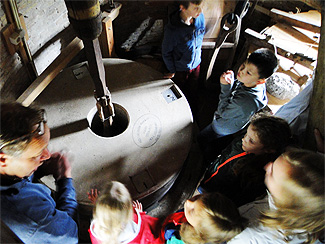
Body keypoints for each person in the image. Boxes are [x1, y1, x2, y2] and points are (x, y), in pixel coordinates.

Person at [0, 102, 78, 243]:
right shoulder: (32, 219)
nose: (47, 155)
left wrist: (40, 168)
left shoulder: (8, 169)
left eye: (46, 146)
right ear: (3, 159)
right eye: (36, 154)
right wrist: (65, 179)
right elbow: (68, 235)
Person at [227, 148, 324, 244]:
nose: (267, 166)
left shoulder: (251, 236)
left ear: (286, 200)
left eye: (272, 173)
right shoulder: (313, 206)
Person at [198, 115, 292, 207]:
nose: (244, 139)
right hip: (210, 177)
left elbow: (238, 197)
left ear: (269, 150)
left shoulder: (256, 174)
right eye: (246, 134)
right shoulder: (242, 142)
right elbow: (225, 153)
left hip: (214, 195)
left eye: (251, 141)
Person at [198, 48, 279, 152]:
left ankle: (200, 153)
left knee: (203, 138)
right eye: (243, 65)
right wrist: (232, 82)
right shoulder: (256, 84)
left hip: (222, 126)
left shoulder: (244, 102)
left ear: (260, 80)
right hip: (235, 121)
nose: (241, 71)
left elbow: (222, 112)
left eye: (248, 73)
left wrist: (226, 87)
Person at [162, 0, 205, 115]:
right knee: (179, 91)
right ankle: (177, 114)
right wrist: (171, 70)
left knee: (193, 89)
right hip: (181, 69)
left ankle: (192, 114)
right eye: (196, 8)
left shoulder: (200, 18)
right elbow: (166, 52)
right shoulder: (173, 31)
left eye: (201, 7)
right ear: (183, 8)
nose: (200, 11)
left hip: (196, 64)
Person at [88, 181, 161, 244]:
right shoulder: (136, 224)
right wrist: (140, 214)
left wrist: (98, 204)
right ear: (128, 209)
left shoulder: (96, 230)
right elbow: (147, 235)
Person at [160, 192, 248, 244]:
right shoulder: (207, 226)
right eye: (197, 197)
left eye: (193, 210)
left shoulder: (178, 240)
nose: (188, 201)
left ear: (197, 229)